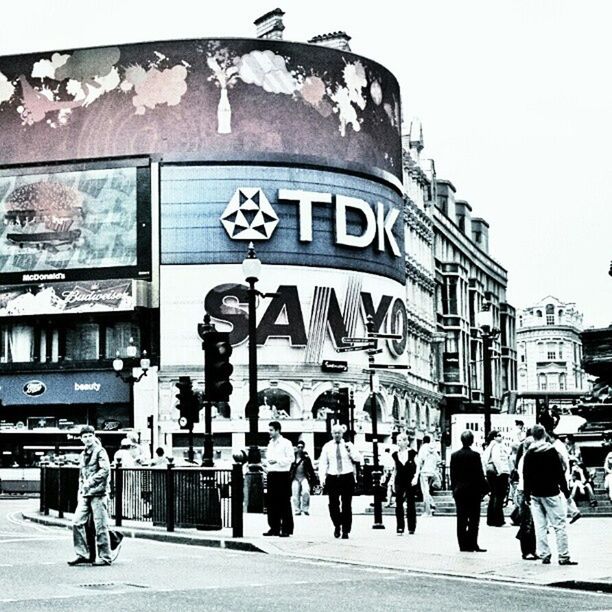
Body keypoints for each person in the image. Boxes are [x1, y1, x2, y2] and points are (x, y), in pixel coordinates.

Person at [523, 423, 578, 565]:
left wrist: (527, 494)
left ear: (533, 436)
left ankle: (544, 554)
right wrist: (566, 493)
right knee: (559, 525)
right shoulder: (551, 451)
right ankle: (563, 556)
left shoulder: (529, 453)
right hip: (551, 492)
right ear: (544, 434)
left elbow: (526, 475)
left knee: (540, 526)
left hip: (535, 494)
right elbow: (559, 474)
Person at [68, 425, 113, 566]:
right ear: (81, 439)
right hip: (86, 494)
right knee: (76, 522)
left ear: (94, 436)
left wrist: (89, 482)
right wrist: (81, 488)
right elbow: (81, 474)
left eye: (89, 436)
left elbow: (105, 470)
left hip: (99, 493)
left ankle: (105, 557)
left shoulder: (100, 451)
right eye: (84, 436)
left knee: (101, 526)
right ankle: (82, 554)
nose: (87, 439)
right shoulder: (82, 454)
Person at [318, 424, 362, 539]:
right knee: (333, 504)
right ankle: (337, 525)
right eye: (335, 433)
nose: (337, 435)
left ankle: (346, 530)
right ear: (332, 434)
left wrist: (350, 451)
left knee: (346, 504)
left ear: (342, 434)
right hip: (333, 476)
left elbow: (358, 458)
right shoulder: (327, 447)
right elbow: (323, 463)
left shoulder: (348, 445)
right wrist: (322, 478)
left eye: (339, 433)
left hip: (346, 476)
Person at [450, 430, 488, 552]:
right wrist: (485, 489)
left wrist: (454, 489)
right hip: (473, 491)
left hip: (460, 491)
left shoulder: (454, 455)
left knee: (461, 518)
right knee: (474, 519)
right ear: (472, 441)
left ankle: (462, 545)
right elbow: (479, 474)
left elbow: (452, 475)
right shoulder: (475, 456)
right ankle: (472, 543)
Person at [263, 421, 294, 537]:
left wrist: (278, 461)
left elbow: (291, 458)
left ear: (277, 430)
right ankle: (274, 527)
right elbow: (268, 458)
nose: (269, 432)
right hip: (272, 474)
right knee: (271, 502)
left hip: (283, 474)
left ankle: (286, 528)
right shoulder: (270, 443)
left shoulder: (286, 443)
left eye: (271, 430)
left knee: (284, 502)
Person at [551, 431, 581, 523]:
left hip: (561, 473)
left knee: (562, 495)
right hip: (562, 472)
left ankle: (563, 517)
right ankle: (574, 511)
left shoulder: (557, 446)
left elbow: (560, 460)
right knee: (564, 493)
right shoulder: (559, 445)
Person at [392, 433, 419, 535]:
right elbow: (395, 469)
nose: (398, 442)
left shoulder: (412, 453)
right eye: (397, 440)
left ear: (405, 441)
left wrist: (416, 477)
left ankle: (411, 527)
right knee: (398, 502)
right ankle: (400, 527)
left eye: (400, 440)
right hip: (399, 479)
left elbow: (418, 466)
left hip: (410, 479)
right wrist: (392, 482)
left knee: (410, 502)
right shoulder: (395, 455)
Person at [482, 430, 510, 526]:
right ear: (494, 437)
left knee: (494, 495)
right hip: (499, 473)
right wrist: (500, 471)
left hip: (491, 473)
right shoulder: (497, 446)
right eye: (499, 435)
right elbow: (496, 459)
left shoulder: (489, 446)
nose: (501, 437)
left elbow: (485, 460)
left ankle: (491, 519)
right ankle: (499, 520)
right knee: (499, 496)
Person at [515, 437, 537, 560]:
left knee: (532, 523)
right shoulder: (525, 459)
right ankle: (527, 551)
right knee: (527, 522)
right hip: (524, 491)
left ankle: (532, 550)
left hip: (528, 491)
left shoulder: (529, 457)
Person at [289, 441, 317, 516]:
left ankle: (305, 509)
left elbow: (310, 469)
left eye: (301, 447)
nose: (300, 448)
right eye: (299, 447)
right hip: (295, 478)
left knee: (306, 491)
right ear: (296, 448)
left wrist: (314, 479)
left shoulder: (306, 458)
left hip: (304, 477)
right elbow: (289, 468)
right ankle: (297, 510)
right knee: (295, 493)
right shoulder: (293, 457)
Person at [417, 435, 440, 516]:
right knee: (428, 490)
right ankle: (432, 505)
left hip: (424, 472)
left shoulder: (423, 448)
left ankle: (427, 511)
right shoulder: (433, 449)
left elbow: (419, 461)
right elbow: (438, 460)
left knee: (425, 491)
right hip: (432, 472)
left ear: (423, 441)